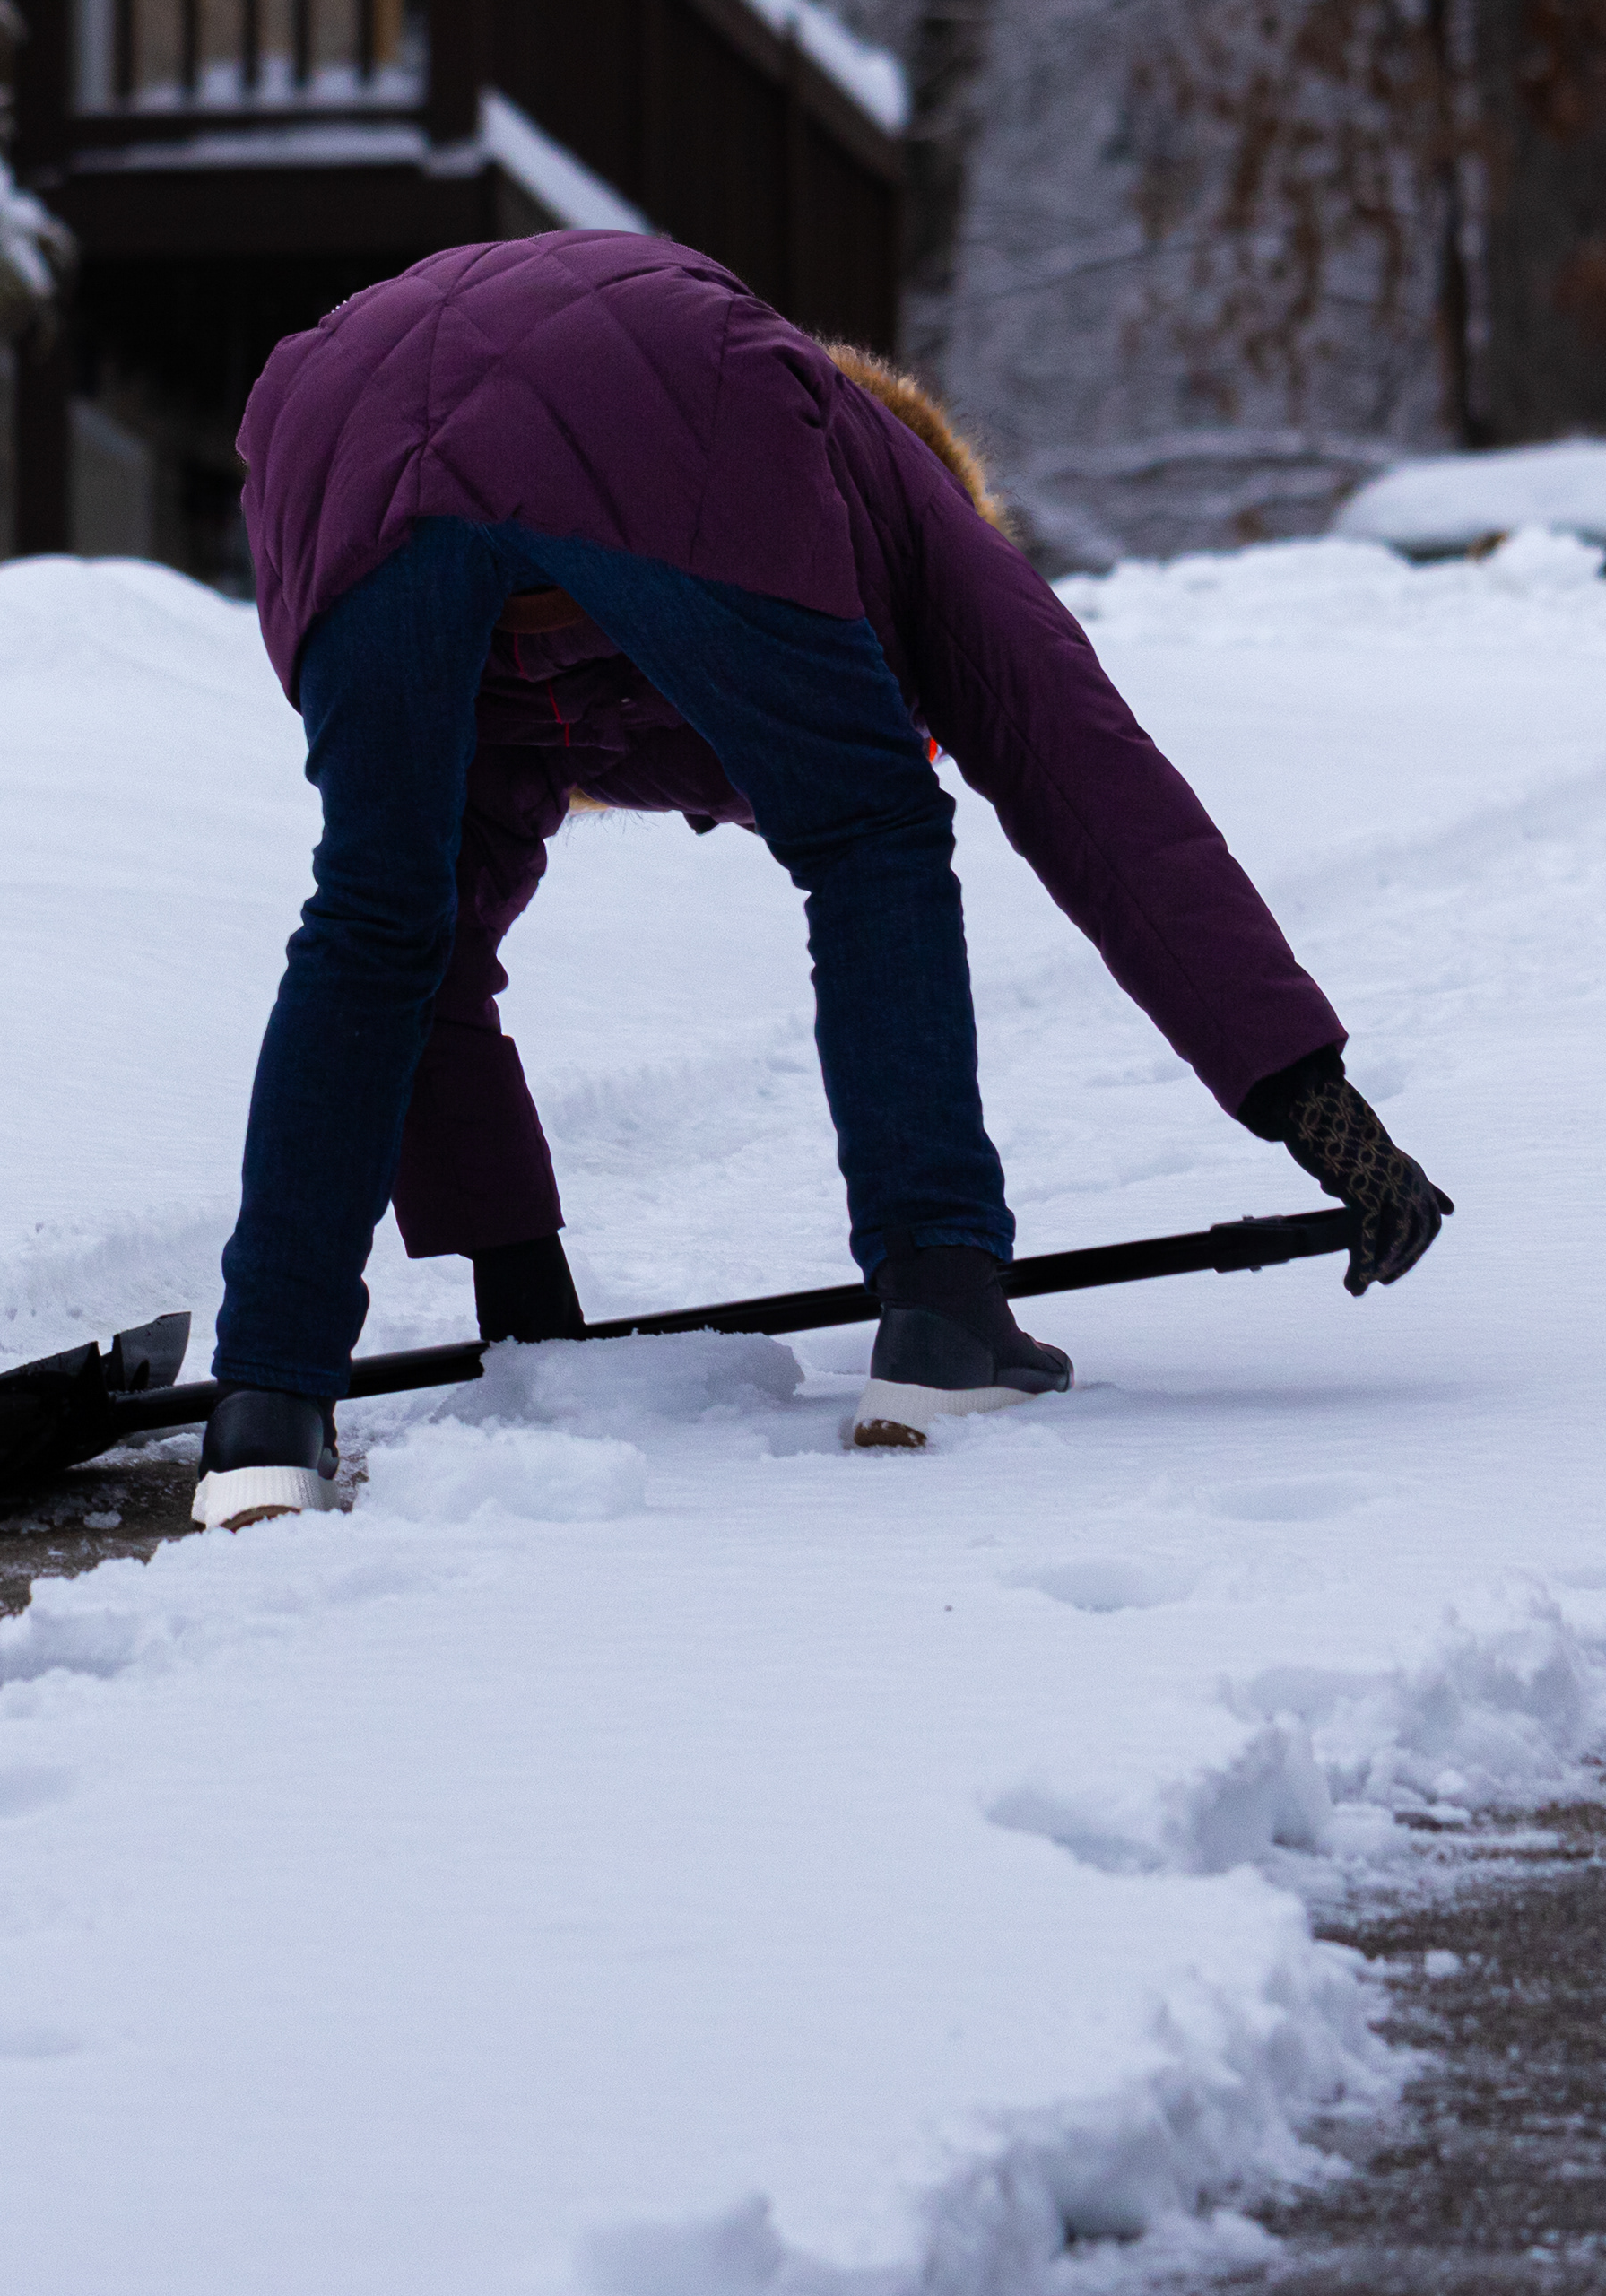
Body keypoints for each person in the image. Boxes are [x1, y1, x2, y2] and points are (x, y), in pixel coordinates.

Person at [189, 231, 1452, 1531]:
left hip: (331, 429)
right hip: (651, 386)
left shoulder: (546, 699)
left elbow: (431, 962)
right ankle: (946, 1312)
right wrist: (1315, 1103)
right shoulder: (903, 503)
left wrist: (528, 1312)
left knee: (383, 916)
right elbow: (1097, 786)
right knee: (873, 833)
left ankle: (265, 1416)